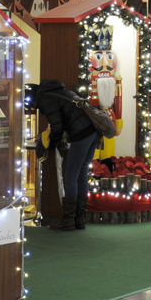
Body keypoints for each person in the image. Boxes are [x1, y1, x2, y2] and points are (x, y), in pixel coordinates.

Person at [26, 80, 100, 231]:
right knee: (81, 174)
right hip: (93, 132)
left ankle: (68, 220)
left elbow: (57, 126)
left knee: (71, 176)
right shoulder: (59, 91)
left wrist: (51, 142)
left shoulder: (45, 98)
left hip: (81, 134)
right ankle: (79, 219)